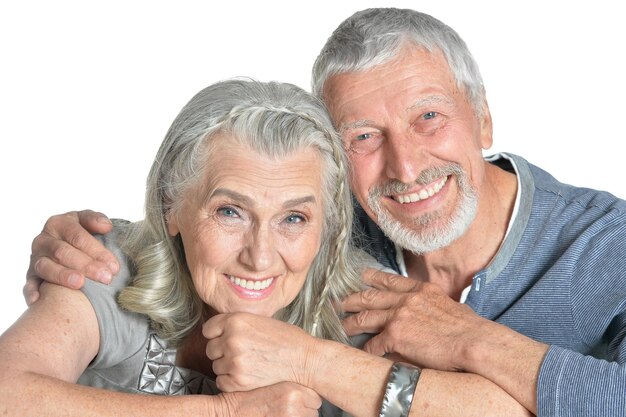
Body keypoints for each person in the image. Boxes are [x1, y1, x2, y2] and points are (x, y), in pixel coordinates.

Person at [21, 7, 626, 417]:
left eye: (429, 118)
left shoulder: (606, 242)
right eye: (363, 136)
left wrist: (471, 342)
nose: (406, 167)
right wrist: (73, 244)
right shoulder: (331, 238)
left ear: (484, 118)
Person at [0, 78, 372, 416]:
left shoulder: (365, 311)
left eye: (293, 218)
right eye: (230, 212)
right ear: (171, 206)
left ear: (329, 224)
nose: (258, 257)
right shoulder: (107, 267)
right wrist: (223, 413)